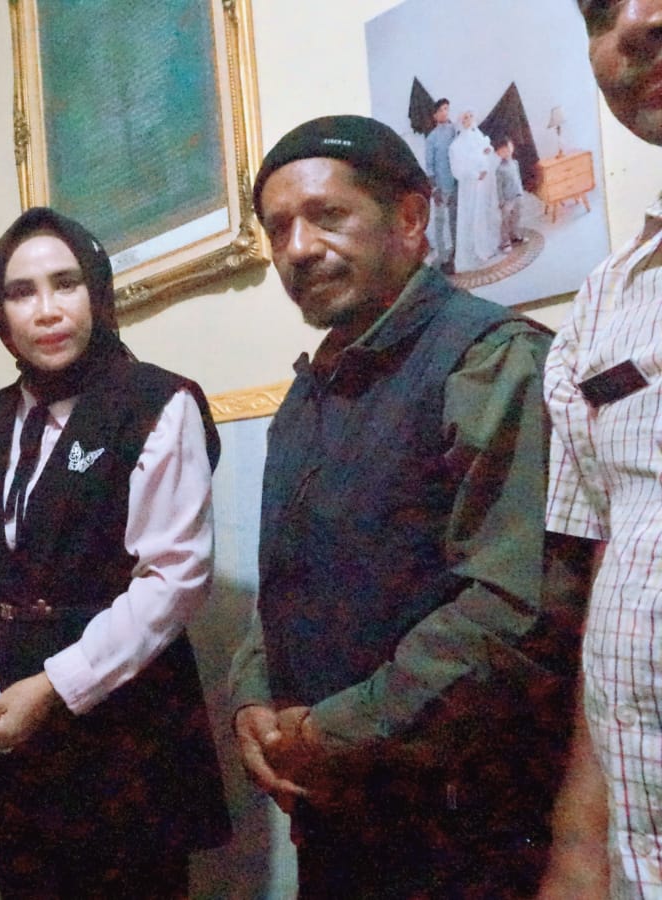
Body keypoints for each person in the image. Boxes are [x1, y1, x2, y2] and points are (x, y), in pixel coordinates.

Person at [229, 114, 578, 898]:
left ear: (412, 218)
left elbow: (515, 607)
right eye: (278, 228)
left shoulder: (489, 359)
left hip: (462, 835)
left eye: (327, 215)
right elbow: (288, 580)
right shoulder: (308, 392)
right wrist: (253, 696)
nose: (298, 248)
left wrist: (331, 732)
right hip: (336, 819)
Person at [0, 207, 229, 897]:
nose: (46, 310)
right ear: (0, 313)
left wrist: (55, 687)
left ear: (98, 293)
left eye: (66, 283)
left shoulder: (157, 401)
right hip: (14, 729)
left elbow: (174, 580)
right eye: (21, 292)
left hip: (126, 726)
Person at [542, 1, 662, 894]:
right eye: (598, 6)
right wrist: (579, 845)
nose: (636, 21)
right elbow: (607, 574)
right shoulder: (603, 305)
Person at [448, 110, 500, 271]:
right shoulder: (456, 146)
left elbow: (486, 152)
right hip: (470, 188)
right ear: (459, 122)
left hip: (484, 185)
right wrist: (476, 175)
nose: (468, 120)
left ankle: (486, 246)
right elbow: (457, 170)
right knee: (472, 217)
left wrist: (488, 152)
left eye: (470, 116)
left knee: (485, 214)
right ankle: (474, 252)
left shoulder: (477, 136)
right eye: (465, 118)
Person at [424, 98, 459, 272]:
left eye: (447, 109)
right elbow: (429, 166)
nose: (445, 112)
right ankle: (443, 257)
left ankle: (457, 253)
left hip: (456, 184)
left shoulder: (455, 130)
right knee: (440, 221)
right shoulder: (432, 138)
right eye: (441, 110)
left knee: (455, 220)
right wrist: (435, 189)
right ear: (435, 115)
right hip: (441, 187)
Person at [493, 136, 525, 252]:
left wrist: (521, 192)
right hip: (507, 199)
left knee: (517, 216)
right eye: (502, 151)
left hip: (517, 195)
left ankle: (515, 234)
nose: (506, 153)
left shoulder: (515, 163)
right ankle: (505, 241)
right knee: (505, 221)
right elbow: (499, 186)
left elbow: (518, 179)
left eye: (507, 149)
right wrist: (501, 201)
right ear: (497, 153)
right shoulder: (499, 169)